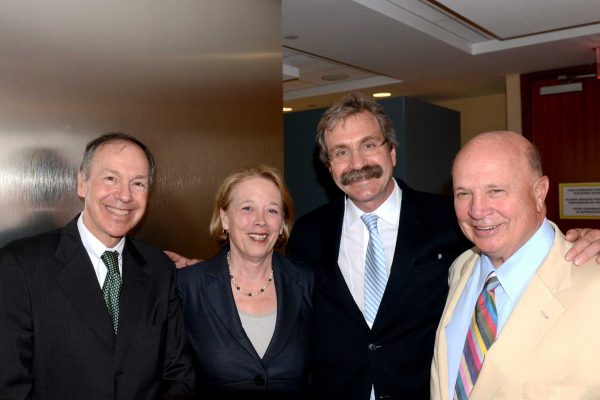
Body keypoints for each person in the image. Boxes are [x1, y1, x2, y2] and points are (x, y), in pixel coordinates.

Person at [286, 93, 600, 400]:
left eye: (369, 145)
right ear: (329, 167)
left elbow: (522, 235)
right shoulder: (308, 233)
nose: (357, 162)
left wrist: (588, 239)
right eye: (341, 152)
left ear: (392, 151)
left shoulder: (451, 219)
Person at [0, 133, 194, 400]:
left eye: (137, 183)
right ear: (82, 183)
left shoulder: (159, 269)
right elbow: (9, 383)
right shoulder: (21, 265)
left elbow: (178, 374)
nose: (125, 196)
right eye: (110, 178)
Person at [430, 131, 600, 399]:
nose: (476, 210)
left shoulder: (594, 285)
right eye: (463, 193)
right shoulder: (461, 268)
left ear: (539, 192)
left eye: (495, 191)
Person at [177, 164, 313, 399]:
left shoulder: (308, 284)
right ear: (224, 218)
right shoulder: (187, 288)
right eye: (247, 208)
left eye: (272, 210)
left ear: (282, 224)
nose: (260, 221)